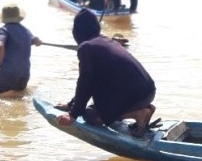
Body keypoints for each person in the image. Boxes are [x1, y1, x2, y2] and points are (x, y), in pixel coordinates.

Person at [56, 9, 156, 137]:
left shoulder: (86, 47)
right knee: (98, 100)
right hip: (148, 92)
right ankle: (146, 109)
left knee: (90, 116)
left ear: (77, 31)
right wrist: (71, 105)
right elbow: (90, 81)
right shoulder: (108, 40)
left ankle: (138, 114)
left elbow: (85, 82)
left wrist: (73, 114)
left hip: (134, 97)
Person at [0, 3, 42, 96]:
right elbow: (35, 40)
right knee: (16, 97)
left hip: (7, 74)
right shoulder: (26, 31)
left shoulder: (3, 30)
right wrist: (37, 41)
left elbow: (0, 45)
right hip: (24, 76)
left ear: (4, 18)